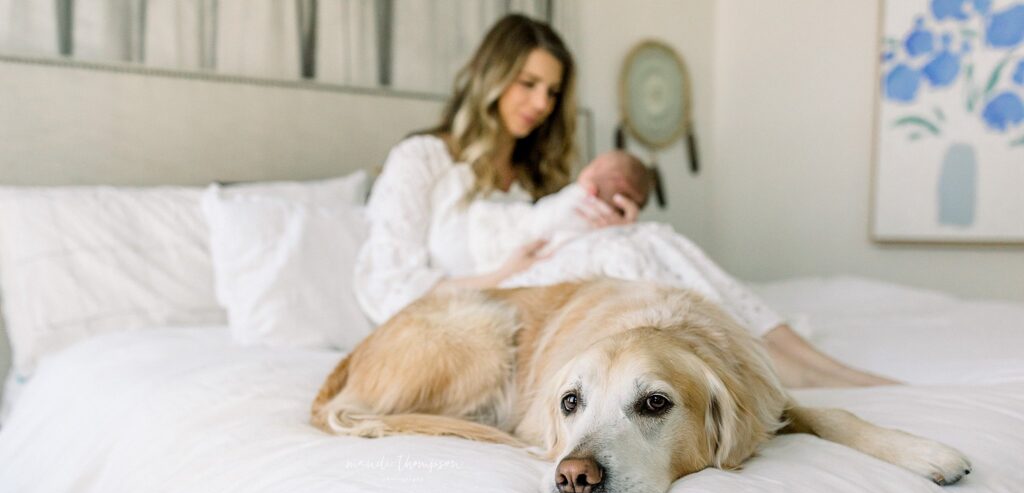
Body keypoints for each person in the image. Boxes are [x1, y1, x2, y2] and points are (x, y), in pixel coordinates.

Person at [353, 14, 895, 388]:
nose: (541, 103)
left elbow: (557, 240)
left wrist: (603, 224)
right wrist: (501, 274)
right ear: (491, 77)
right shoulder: (421, 159)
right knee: (635, 246)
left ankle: (804, 360)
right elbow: (387, 290)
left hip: (544, 304)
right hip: (475, 319)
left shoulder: (533, 176)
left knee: (641, 237)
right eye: (528, 83)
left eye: (552, 91)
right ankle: (775, 366)